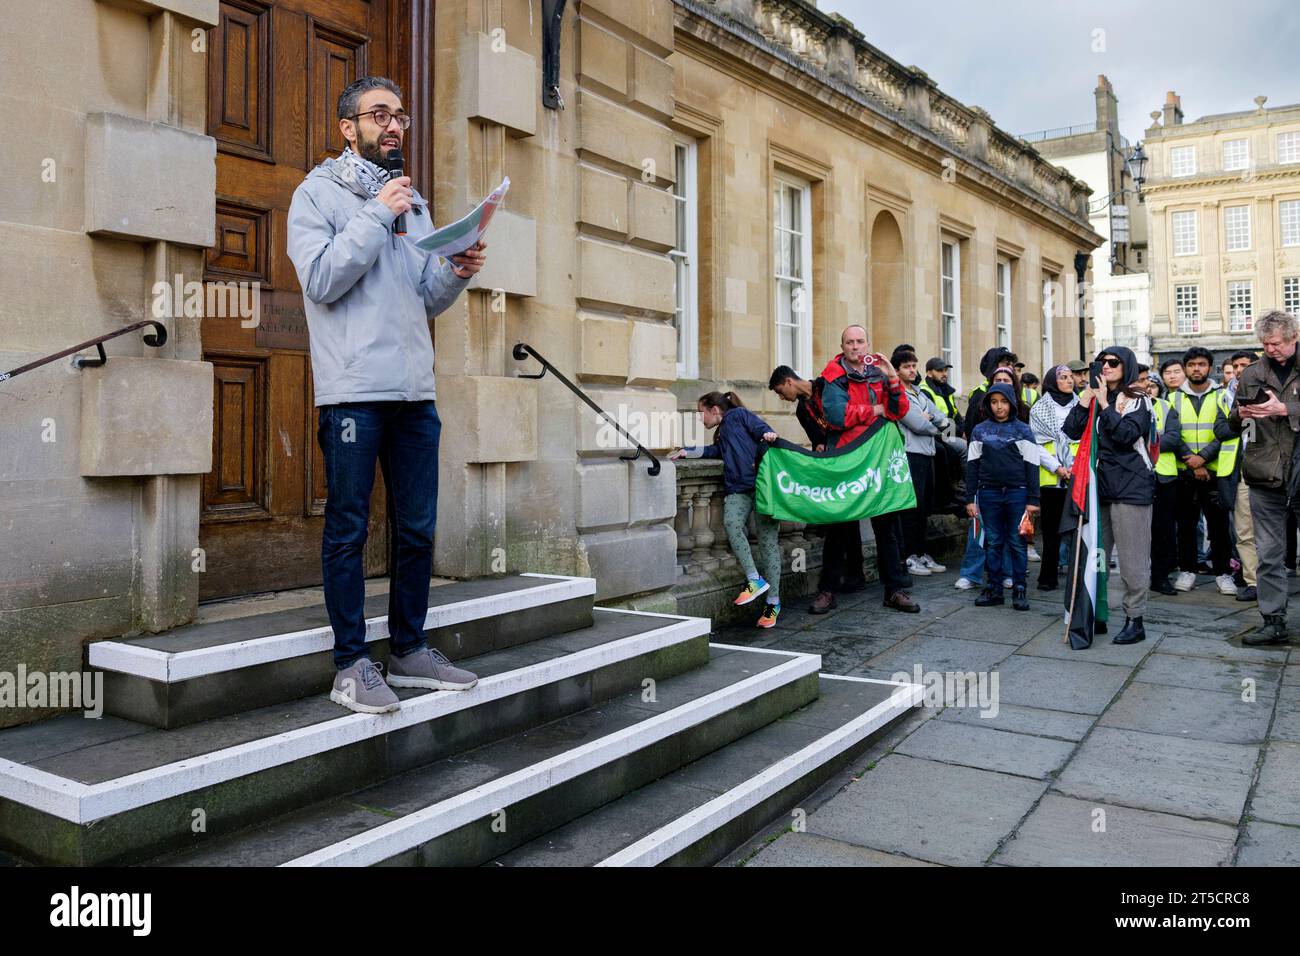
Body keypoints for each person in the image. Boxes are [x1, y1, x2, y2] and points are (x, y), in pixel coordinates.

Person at [288, 75, 486, 714]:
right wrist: (378, 213)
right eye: (380, 115)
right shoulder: (317, 194)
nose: (395, 125)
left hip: (414, 393)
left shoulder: (414, 203)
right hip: (353, 392)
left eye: (400, 115)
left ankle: (408, 648)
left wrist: (455, 271)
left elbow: (423, 297)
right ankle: (350, 664)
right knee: (348, 527)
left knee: (418, 527)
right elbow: (320, 279)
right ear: (349, 128)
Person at [820, 325, 920, 613]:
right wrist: (876, 410)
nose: (855, 346)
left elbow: (899, 410)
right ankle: (827, 590)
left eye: (860, 341)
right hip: (847, 458)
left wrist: (891, 377)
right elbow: (837, 416)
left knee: (886, 527)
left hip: (879, 458)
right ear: (843, 346)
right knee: (838, 527)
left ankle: (894, 590)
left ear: (867, 344)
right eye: (850, 342)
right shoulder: (833, 374)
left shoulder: (879, 371)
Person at [1063, 347, 1155, 645]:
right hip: (1099, 487)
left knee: (1132, 560)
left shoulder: (1138, 400)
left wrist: (1105, 405)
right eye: (1101, 363)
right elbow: (1071, 431)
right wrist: (1085, 401)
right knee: (1097, 557)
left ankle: (1134, 619)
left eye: (1113, 363)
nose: (1106, 367)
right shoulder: (1094, 397)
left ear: (1125, 366)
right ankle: (1097, 612)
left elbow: (1126, 435)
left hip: (1131, 487)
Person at [669, 392, 783, 628]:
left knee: (769, 543)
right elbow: (715, 451)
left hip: (763, 487)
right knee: (731, 523)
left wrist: (767, 434)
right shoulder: (721, 433)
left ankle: (773, 603)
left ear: (714, 409)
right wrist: (686, 451)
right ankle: (754, 579)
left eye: (701, 413)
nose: (701, 419)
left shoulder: (739, 415)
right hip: (738, 489)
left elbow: (761, 428)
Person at [768, 365, 868, 613]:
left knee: (848, 518)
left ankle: (849, 577)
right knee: (843, 519)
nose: (782, 398)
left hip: (852, 456)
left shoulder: (827, 386)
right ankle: (849, 576)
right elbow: (818, 440)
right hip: (832, 463)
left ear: (789, 381)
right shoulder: (803, 410)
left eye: (781, 392)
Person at [1227, 310, 1300, 645]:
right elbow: (1236, 425)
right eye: (1265, 344)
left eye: (1277, 344)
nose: (1271, 350)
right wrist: (1240, 415)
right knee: (1269, 553)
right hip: (1264, 474)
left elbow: (1283, 412)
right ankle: (1273, 621)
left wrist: (1285, 410)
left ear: (1294, 337)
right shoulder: (1253, 373)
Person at [1170, 346, 1239, 595]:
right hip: (1185, 471)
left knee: (1219, 526)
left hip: (1215, 471)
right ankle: (1187, 571)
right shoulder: (1173, 398)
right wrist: (1192, 460)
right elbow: (1172, 434)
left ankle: (1223, 574)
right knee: (1186, 525)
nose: (1196, 368)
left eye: (1201, 364)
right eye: (1191, 365)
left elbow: (1228, 431)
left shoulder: (1223, 396)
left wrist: (1204, 459)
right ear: (1186, 368)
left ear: (1210, 367)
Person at [966, 384, 1039, 611]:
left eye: (1004, 402)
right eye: (994, 402)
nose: (999, 407)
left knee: (1017, 542)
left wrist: (1033, 499)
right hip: (989, 493)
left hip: (1017, 493)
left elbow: (1032, 466)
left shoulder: (1023, 430)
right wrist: (970, 498)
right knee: (993, 541)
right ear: (988, 404)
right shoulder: (979, 431)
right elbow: (972, 466)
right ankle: (994, 588)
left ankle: (1019, 588)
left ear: (1011, 403)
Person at [955, 365, 1025, 589]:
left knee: (1008, 533)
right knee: (979, 528)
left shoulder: (1022, 411)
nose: (1002, 383)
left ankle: (1006, 573)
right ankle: (971, 573)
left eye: (1007, 379)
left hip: (1013, 483)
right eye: (998, 379)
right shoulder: (980, 404)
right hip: (985, 481)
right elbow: (972, 438)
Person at [894, 350, 949, 577]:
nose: (912, 370)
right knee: (912, 508)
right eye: (907, 366)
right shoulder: (897, 394)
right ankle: (909, 557)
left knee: (925, 507)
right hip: (911, 453)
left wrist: (931, 421)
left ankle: (921, 552)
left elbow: (942, 417)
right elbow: (916, 423)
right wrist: (932, 424)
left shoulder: (919, 392)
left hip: (928, 452)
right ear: (896, 370)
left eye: (914, 366)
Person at [1028, 364, 1078, 591]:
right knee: (1051, 532)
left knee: (1078, 529)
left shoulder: (1082, 406)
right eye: (1064, 377)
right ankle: (1047, 577)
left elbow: (1089, 441)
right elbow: (1035, 445)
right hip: (1051, 478)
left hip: (1078, 476)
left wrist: (1074, 467)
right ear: (1052, 381)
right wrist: (1057, 467)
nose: (1070, 381)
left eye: (1071, 377)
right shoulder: (1040, 409)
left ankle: (1077, 576)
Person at [1221, 350, 1261, 601]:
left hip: (1269, 468)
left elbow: (1258, 432)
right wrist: (1238, 415)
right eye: (1235, 365)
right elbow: (1220, 429)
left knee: (1270, 530)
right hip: (1241, 469)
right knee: (1244, 529)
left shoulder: (1267, 390)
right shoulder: (1226, 397)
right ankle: (1253, 581)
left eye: (1244, 365)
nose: (1238, 370)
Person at [1148, 381, 1183, 595]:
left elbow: (1174, 437)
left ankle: (1160, 576)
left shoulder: (1165, 406)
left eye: (1152, 384)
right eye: (1142, 382)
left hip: (1165, 476)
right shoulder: (1127, 404)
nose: (1147, 388)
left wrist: (1149, 441)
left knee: (1164, 529)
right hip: (1138, 476)